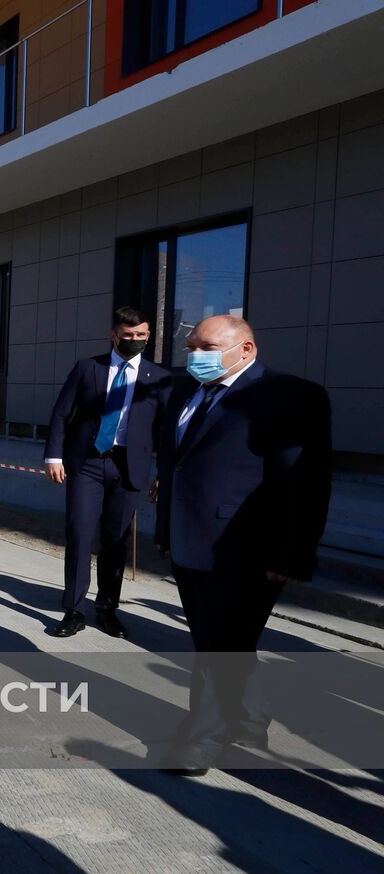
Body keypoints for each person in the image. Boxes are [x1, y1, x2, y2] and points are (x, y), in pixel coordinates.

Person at [155, 314, 331, 773]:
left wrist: (292, 553)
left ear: (246, 349)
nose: (195, 356)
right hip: (189, 538)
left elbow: (304, 483)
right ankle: (250, 723)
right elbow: (179, 460)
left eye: (207, 348)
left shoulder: (290, 395)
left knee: (219, 645)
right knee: (222, 639)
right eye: (192, 347)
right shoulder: (185, 390)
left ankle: (202, 740)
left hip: (248, 545)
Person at [43, 306, 171, 639]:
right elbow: (61, 414)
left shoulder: (158, 378)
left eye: (141, 335)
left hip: (129, 467)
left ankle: (107, 608)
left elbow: (165, 430)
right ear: (114, 335)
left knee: (115, 540)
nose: (134, 340)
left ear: (148, 335)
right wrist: (53, 456)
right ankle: (74, 609)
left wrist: (165, 472)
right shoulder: (88, 368)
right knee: (80, 534)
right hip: (87, 463)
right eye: (128, 335)